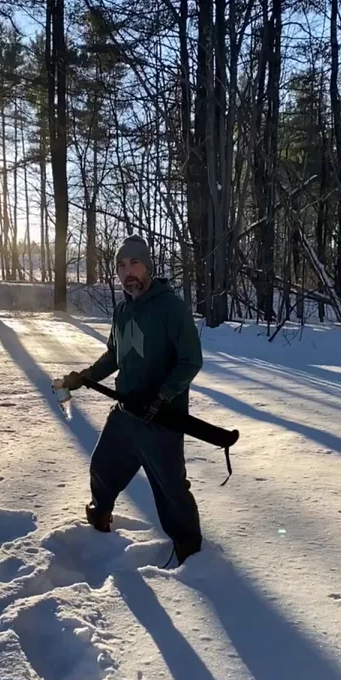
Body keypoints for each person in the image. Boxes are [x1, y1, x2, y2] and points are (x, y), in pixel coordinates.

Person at [64, 234, 203, 565]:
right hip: (126, 413)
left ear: (149, 266)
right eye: (121, 266)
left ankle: (190, 549)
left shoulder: (171, 308)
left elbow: (190, 360)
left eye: (134, 263)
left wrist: (164, 395)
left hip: (161, 420)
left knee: (171, 489)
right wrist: (84, 377)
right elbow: (114, 355)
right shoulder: (122, 311)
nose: (128, 272)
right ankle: (100, 516)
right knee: (103, 468)